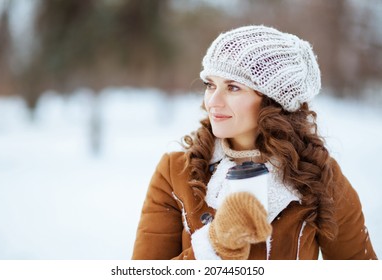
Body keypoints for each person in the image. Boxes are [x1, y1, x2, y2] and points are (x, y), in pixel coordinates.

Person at [131, 25, 377, 260]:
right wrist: (214, 246)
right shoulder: (176, 173)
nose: (213, 101)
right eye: (210, 85)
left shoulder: (319, 175)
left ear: (273, 100)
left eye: (233, 87)